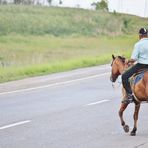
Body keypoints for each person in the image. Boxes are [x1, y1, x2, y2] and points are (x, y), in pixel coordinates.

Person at [122, 27, 148, 104]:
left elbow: (133, 59)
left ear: (140, 35)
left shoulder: (138, 44)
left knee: (124, 76)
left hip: (141, 65)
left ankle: (130, 95)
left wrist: (127, 60)